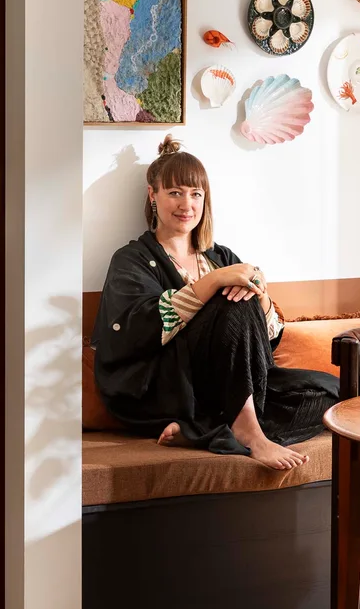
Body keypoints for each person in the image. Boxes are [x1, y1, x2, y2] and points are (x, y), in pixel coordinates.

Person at [92, 136, 339, 470]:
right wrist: (213, 283)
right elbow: (138, 330)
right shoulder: (131, 260)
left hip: (232, 385)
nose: (187, 204)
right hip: (172, 387)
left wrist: (259, 293)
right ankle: (250, 433)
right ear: (153, 195)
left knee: (331, 395)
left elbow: (267, 340)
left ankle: (204, 431)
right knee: (230, 300)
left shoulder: (220, 257)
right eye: (174, 192)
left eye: (196, 194)